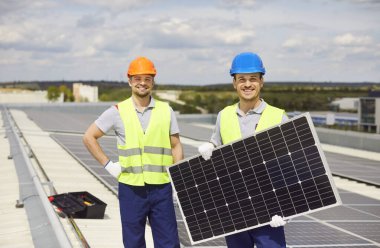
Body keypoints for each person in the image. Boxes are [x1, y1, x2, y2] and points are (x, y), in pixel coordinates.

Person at [83, 56, 183, 248]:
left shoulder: (166, 110)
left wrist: (178, 178)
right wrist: (108, 165)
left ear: (153, 81)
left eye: (147, 78)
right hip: (131, 188)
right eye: (137, 79)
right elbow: (89, 137)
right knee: (133, 242)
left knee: (169, 243)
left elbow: (176, 145)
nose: (142, 83)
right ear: (129, 81)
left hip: (161, 188)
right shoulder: (117, 111)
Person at [198, 52, 287, 248]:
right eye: (242, 79)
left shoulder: (279, 117)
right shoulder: (224, 115)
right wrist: (210, 147)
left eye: (253, 79)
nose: (247, 84)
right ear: (234, 83)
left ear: (262, 81)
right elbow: (216, 147)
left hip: (269, 208)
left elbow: (288, 168)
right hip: (235, 207)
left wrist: (287, 210)